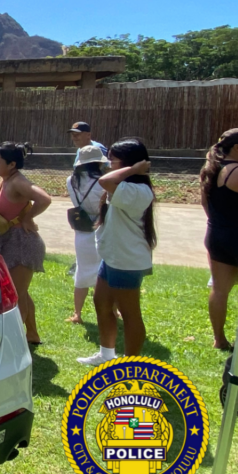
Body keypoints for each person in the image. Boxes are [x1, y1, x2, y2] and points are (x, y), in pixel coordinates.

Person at [77, 138, 157, 366]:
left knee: (130, 314)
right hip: (114, 257)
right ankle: (106, 354)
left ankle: (131, 364)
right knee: (101, 303)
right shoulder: (126, 186)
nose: (108, 162)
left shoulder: (138, 190)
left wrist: (134, 169)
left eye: (113, 158)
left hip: (127, 260)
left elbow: (104, 181)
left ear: (130, 162)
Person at [0, 143, 51, 345]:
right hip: (8, 242)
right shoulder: (5, 179)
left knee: (14, 294)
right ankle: (31, 334)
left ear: (12, 164)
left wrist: (28, 218)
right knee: (20, 292)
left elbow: (44, 199)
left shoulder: (18, 182)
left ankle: (13, 342)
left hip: (22, 244)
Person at [200, 128, 238, 350]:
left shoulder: (210, 170)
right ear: (237, 148)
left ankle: (219, 339)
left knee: (219, 289)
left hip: (216, 234)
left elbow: (205, 205)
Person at [65, 145, 108, 324]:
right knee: (105, 271)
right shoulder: (103, 182)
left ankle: (77, 313)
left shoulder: (71, 181)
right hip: (102, 225)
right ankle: (110, 310)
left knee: (82, 270)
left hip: (82, 228)